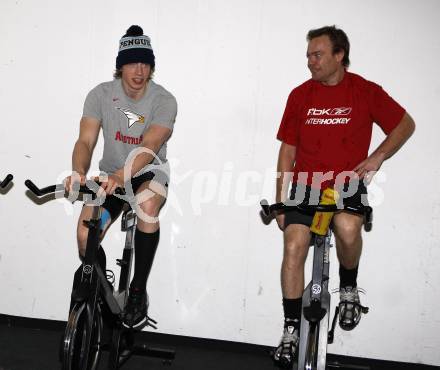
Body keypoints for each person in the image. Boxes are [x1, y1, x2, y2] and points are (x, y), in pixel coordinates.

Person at [273, 25, 415, 365]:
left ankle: (348, 287)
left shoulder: (364, 91)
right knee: (293, 244)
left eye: (318, 54)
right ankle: (290, 329)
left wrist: (379, 156)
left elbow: (405, 124)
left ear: (340, 55)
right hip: (306, 187)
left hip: (346, 186)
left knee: (349, 228)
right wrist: (280, 198)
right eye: (308, 55)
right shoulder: (300, 95)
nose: (310, 61)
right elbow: (287, 150)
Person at [64, 25, 177, 329]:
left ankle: (137, 291)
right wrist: (77, 173)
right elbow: (85, 141)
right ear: (120, 65)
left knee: (147, 204)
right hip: (110, 177)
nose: (139, 70)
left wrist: (120, 174)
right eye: (132, 63)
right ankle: (102, 293)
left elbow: (150, 145)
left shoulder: (164, 100)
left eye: (145, 63)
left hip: (147, 171)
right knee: (85, 235)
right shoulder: (100, 95)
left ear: (151, 66)